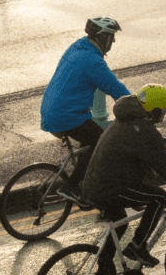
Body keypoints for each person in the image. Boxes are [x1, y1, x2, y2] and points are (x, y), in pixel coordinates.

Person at [82, 84, 166, 268]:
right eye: (164, 111)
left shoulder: (128, 117)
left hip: (96, 182)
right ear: (154, 110)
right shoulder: (143, 130)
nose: (164, 115)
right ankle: (137, 246)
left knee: (120, 223)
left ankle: (104, 272)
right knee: (158, 198)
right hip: (109, 187)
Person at [40, 17, 131, 205]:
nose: (113, 41)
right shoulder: (92, 60)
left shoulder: (79, 46)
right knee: (100, 141)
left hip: (53, 109)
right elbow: (114, 88)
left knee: (90, 140)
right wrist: (134, 105)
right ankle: (71, 187)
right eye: (111, 36)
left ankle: (87, 188)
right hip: (66, 115)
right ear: (103, 37)